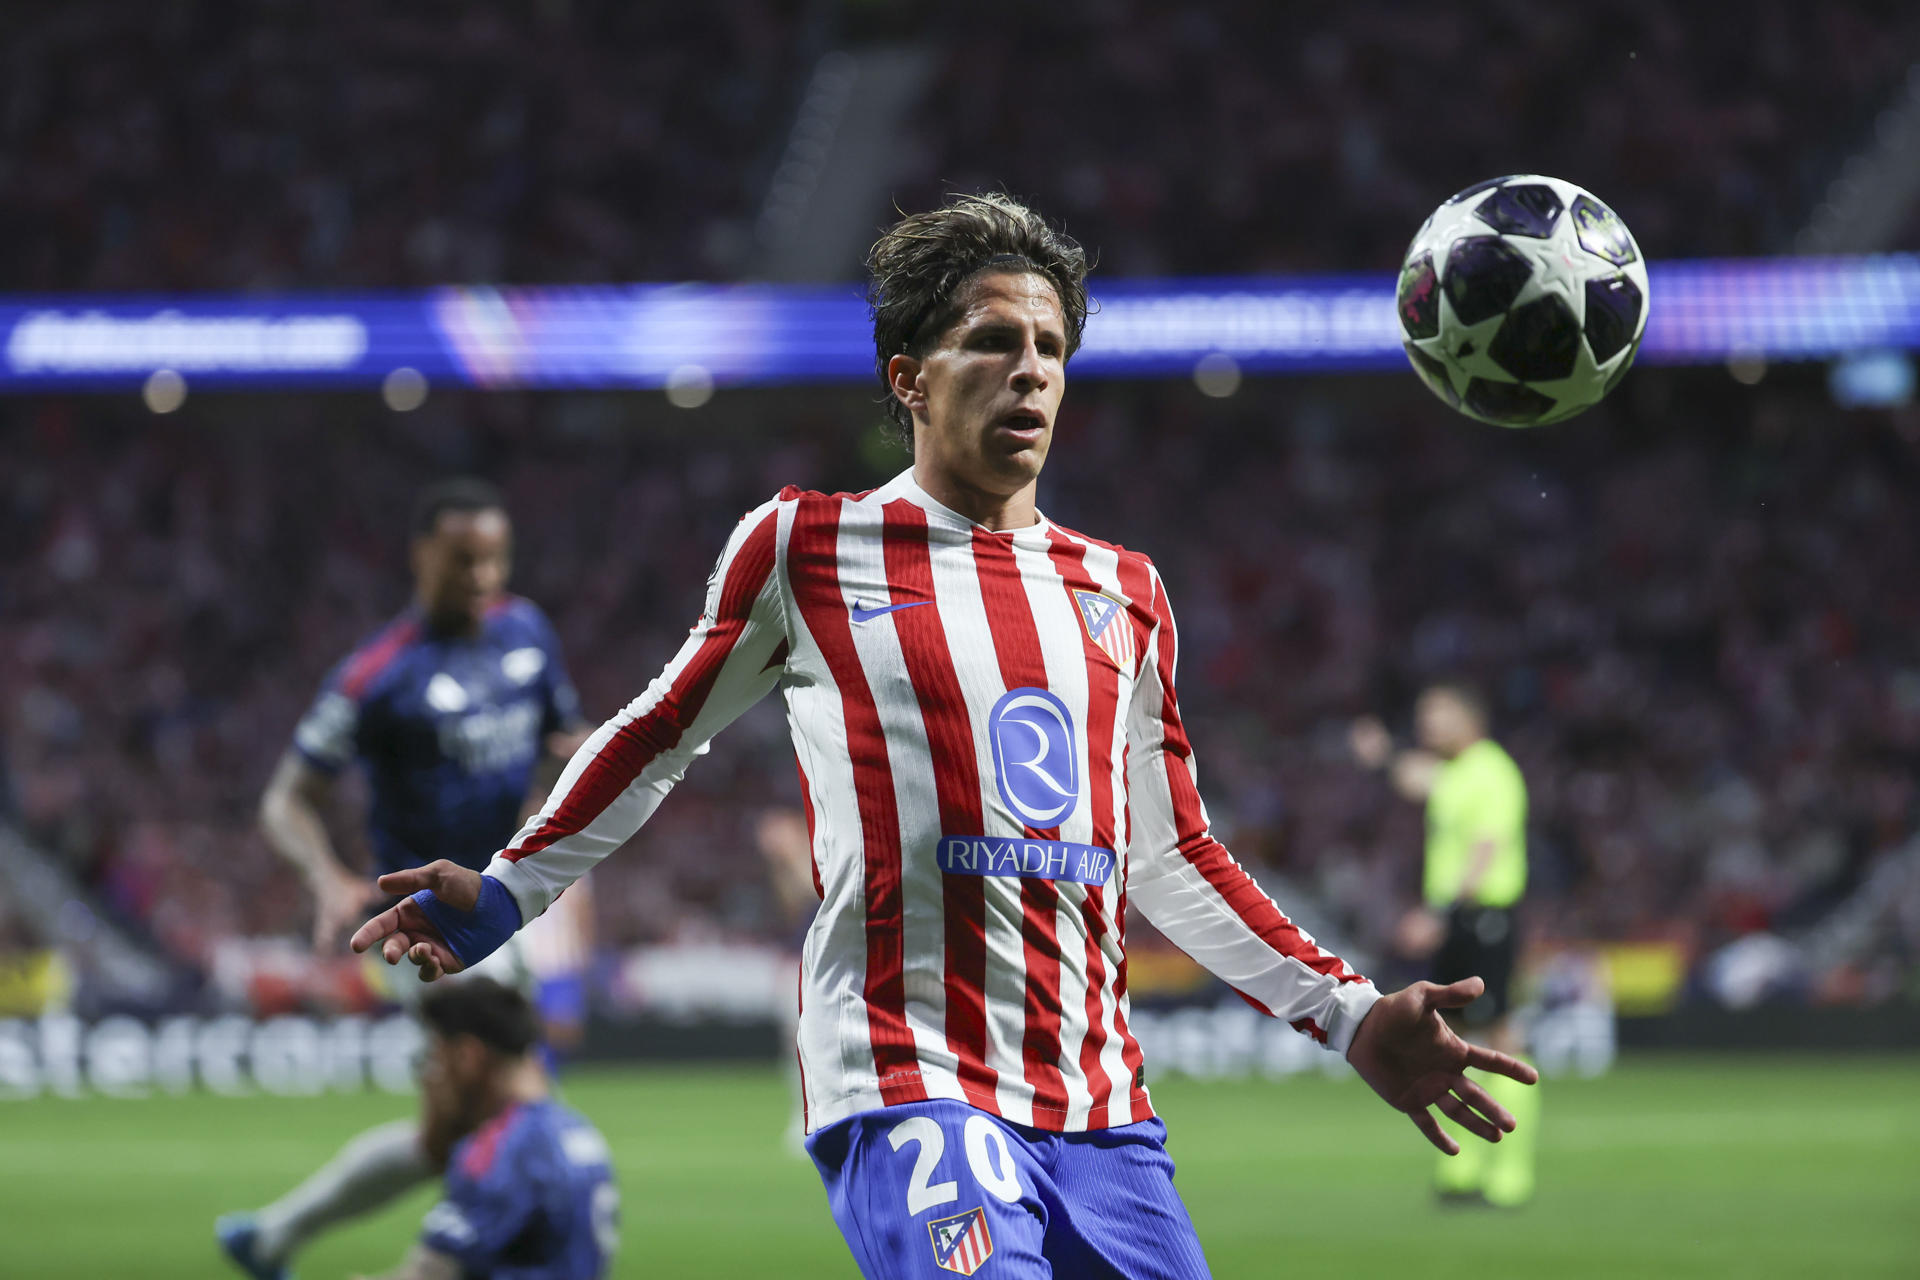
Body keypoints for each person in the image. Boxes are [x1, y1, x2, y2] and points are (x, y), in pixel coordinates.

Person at [353, 193, 1537, 1278]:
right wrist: (511, 888)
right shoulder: (807, 548)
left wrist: (1348, 1009)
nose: (1030, 372)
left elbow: (1171, 856)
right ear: (910, 378)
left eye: (1051, 350)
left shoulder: (1123, 590)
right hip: (906, 1071)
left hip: (1098, 1103)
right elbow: (660, 730)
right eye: (993, 341)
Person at [218, 477, 590, 1280]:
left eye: (493, 560)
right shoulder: (376, 674)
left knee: (450, 1137)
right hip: (428, 929)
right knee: (519, 1104)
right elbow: (287, 799)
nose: (482, 579)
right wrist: (326, 875)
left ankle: (273, 1238)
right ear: (422, 557)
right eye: (463, 561)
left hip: (506, 904)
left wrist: (598, 761)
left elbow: (566, 738)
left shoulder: (527, 631)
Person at [1351, 682, 1538, 1207]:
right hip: (1459, 921)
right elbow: (1415, 778)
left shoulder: (1493, 772)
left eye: (1435, 715)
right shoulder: (1455, 773)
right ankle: (1465, 1169)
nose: (1426, 725)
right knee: (1453, 1042)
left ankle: (1511, 1174)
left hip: (1485, 919)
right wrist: (1383, 754)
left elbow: (1484, 851)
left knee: (1501, 1039)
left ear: (1468, 719)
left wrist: (1439, 914)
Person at [353, 978, 618, 1280]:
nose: (431, 1078)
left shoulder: (500, 1147)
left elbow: (431, 1274)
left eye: (437, 1057)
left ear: (468, 1056)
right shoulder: (576, 1131)